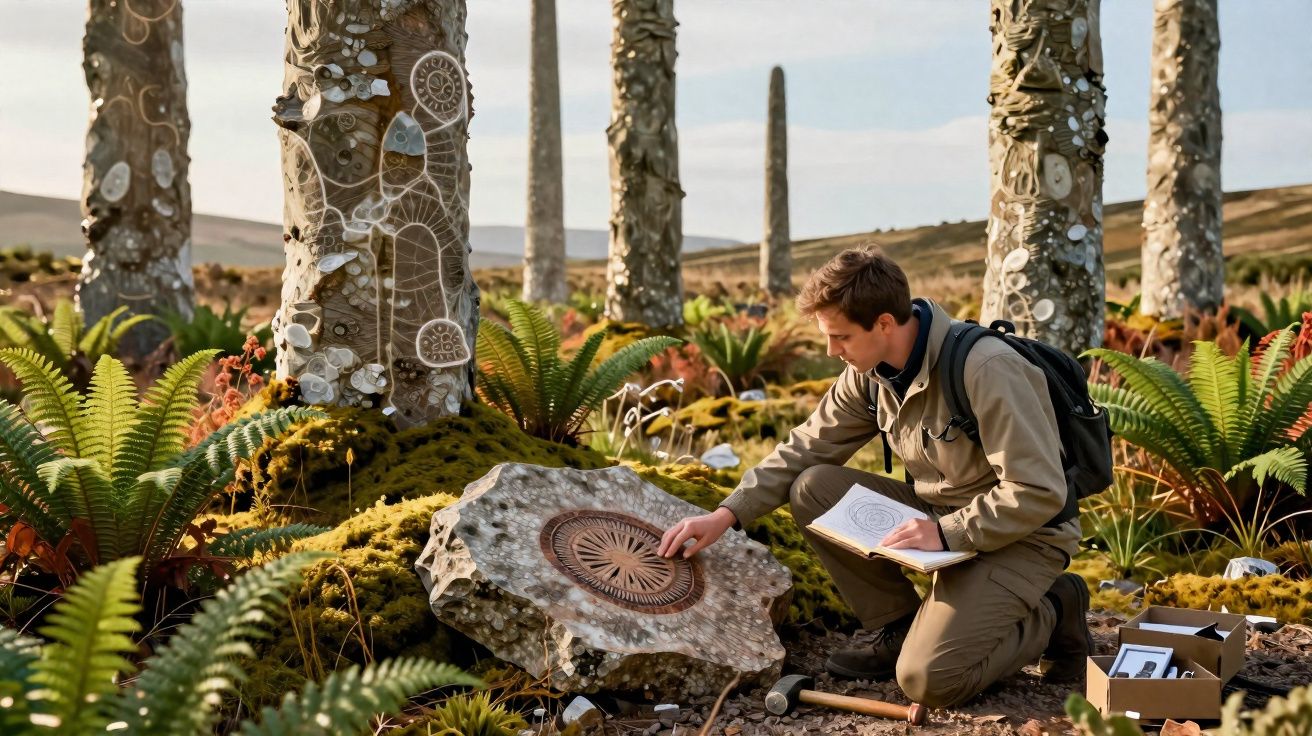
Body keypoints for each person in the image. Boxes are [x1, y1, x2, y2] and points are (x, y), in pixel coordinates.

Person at [658, 245, 1092, 708]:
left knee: (929, 681)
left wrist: (946, 533)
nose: (831, 351)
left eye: (841, 337)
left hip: (1024, 534)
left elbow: (1038, 490)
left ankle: (1054, 607)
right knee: (813, 487)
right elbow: (806, 446)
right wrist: (726, 514)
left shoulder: (987, 369)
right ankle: (898, 625)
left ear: (884, 323)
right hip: (940, 516)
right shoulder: (869, 370)